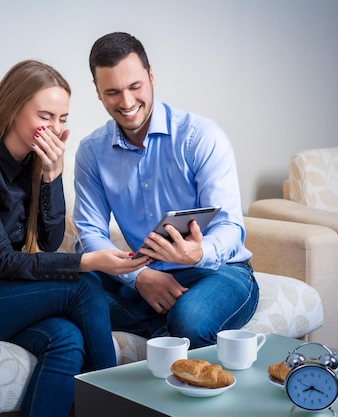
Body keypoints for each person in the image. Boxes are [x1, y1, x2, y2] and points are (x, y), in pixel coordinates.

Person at [0, 59, 150, 417]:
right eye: (45, 116)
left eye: (63, 118)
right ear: (12, 110)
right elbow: (2, 261)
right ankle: (115, 407)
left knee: (66, 340)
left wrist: (53, 175)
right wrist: (88, 261)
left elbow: (50, 240)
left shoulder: (30, 163)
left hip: (0, 297)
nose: (55, 128)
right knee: (83, 286)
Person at [73, 32, 259, 349]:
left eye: (135, 87)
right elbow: (90, 235)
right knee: (69, 293)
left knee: (191, 320)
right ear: (98, 93)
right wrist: (138, 277)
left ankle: (174, 328)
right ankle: (170, 331)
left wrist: (198, 252)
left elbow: (229, 225)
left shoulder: (201, 137)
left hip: (217, 271)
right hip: (145, 275)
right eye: (113, 92)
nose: (127, 102)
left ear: (151, 76)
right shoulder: (92, 151)